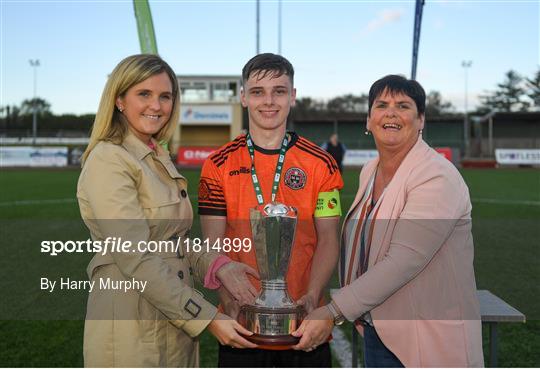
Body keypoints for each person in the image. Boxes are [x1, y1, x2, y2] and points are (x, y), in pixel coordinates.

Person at [78, 54, 259, 367]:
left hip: (171, 325)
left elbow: (171, 242)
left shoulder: (155, 154)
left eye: (165, 96)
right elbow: (134, 254)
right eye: (144, 94)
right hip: (131, 325)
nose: (157, 106)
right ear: (119, 100)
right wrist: (206, 317)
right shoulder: (109, 159)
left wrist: (218, 266)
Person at [292, 75, 484, 367]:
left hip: (428, 339)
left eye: (403, 106)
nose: (391, 113)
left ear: (421, 121)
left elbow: (403, 261)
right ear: (369, 121)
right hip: (378, 329)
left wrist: (333, 310)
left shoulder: (437, 176)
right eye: (381, 105)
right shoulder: (370, 170)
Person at [198, 53, 344, 367]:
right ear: (243, 98)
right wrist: (228, 300)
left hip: (304, 328)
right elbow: (213, 245)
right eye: (258, 91)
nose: (269, 101)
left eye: (279, 91)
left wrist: (313, 294)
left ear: (292, 96)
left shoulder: (320, 163)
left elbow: (329, 237)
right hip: (242, 326)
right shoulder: (217, 164)